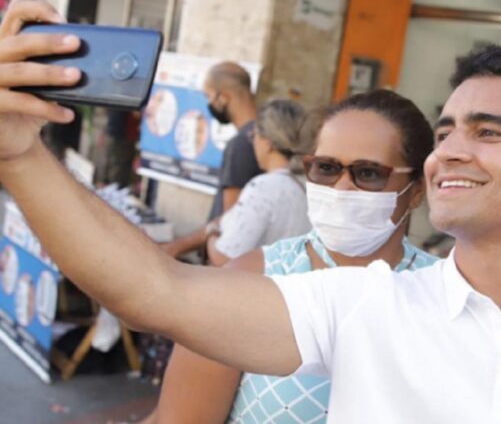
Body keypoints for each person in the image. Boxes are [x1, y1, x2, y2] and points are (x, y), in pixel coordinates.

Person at [0, 1, 501, 423]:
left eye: (488, 132)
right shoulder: (366, 304)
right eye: (446, 130)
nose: (451, 151)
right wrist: (22, 155)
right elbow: (155, 292)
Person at [149, 90, 438, 423]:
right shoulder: (252, 279)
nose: (341, 188)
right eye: (326, 168)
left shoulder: (444, 293)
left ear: (416, 190)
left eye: (369, 173)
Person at [161, 61, 262, 258]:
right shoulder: (261, 137)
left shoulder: (241, 145)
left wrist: (175, 247)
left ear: (223, 97)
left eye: (208, 96)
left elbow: (229, 221)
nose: (209, 104)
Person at [205, 99, 314, 266]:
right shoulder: (310, 184)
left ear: (268, 143)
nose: (253, 142)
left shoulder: (264, 188)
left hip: (258, 281)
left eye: (254, 135)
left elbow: (225, 258)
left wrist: (211, 233)